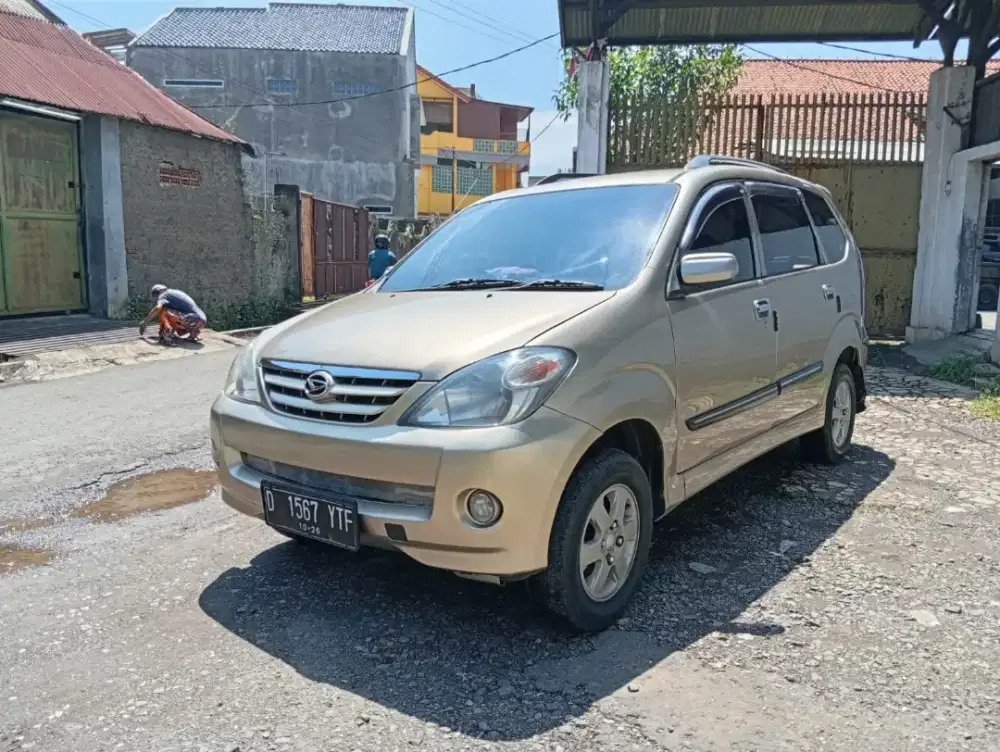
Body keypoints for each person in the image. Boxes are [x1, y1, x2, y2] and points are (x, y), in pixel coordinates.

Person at [139, 284, 207, 344]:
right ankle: (193, 335)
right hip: (201, 321)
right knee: (172, 312)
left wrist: (145, 322)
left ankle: (166, 336)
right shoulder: (174, 292)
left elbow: (158, 308)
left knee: (163, 309)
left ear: (157, 293)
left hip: (192, 320)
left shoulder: (163, 295)